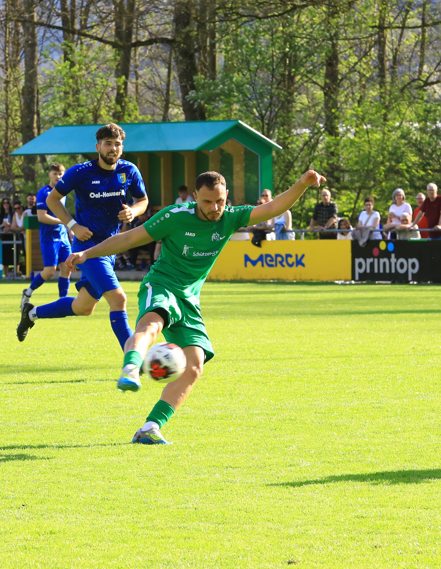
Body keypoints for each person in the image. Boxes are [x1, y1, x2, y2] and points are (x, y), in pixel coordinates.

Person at [64, 169, 326, 444]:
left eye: (220, 201)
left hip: (189, 299)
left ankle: (150, 428)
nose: (215, 209)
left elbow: (273, 207)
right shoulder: (174, 217)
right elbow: (129, 239)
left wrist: (302, 184)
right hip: (163, 283)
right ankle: (131, 367)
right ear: (195, 198)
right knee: (152, 324)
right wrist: (86, 253)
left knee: (194, 365)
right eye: (208, 202)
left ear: (226, 197)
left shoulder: (230, 217)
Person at [17, 122, 149, 351]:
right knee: (119, 298)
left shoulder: (129, 171)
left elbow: (143, 201)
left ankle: (32, 312)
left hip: (109, 249)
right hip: (85, 248)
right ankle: (133, 360)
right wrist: (73, 225)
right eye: (108, 144)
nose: (113, 149)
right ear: (98, 146)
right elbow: (52, 200)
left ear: (122, 147)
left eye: (117, 144)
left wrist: (133, 211)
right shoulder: (80, 172)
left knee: (83, 307)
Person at [21, 164, 74, 308]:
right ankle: (28, 292)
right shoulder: (44, 193)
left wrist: (69, 228)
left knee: (67, 269)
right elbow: (41, 217)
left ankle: (63, 301)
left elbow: (64, 215)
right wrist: (64, 221)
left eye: (61, 174)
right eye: (55, 173)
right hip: (49, 237)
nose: (58, 176)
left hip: (62, 237)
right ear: (49, 175)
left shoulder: (63, 193)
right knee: (50, 271)